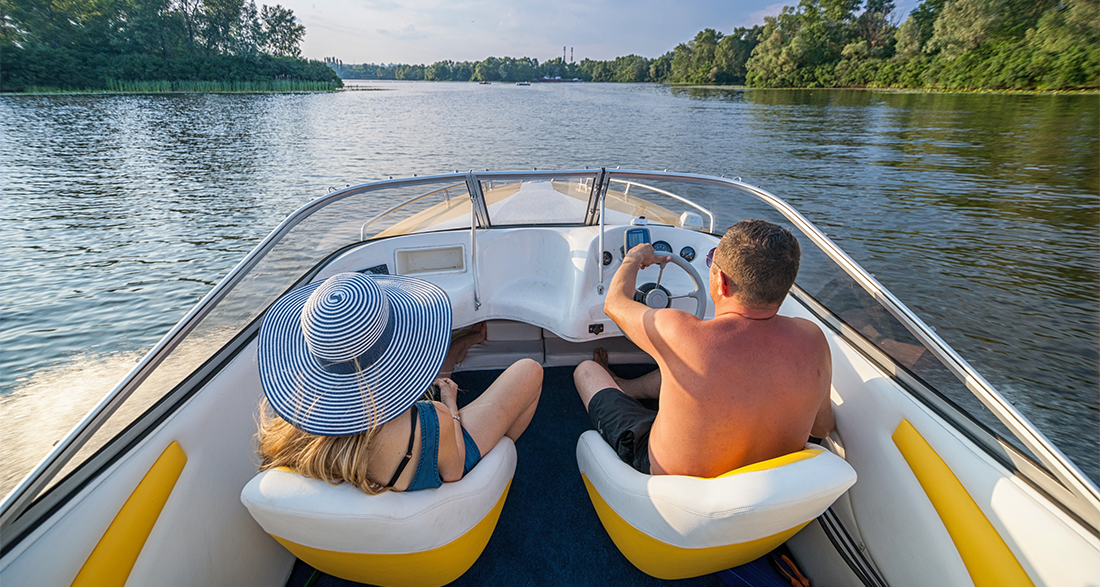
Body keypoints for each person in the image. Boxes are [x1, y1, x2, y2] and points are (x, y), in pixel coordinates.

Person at [574, 219, 834, 477]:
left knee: (586, 371)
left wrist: (634, 257)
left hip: (670, 484)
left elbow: (615, 303)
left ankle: (618, 389)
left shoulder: (682, 335)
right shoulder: (813, 339)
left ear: (721, 281)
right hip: (768, 488)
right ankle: (627, 388)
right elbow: (822, 428)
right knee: (684, 369)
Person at [255, 272, 542, 493]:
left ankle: (453, 354)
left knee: (430, 387)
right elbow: (453, 470)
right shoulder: (433, 420)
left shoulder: (289, 428)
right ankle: (500, 452)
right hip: (427, 454)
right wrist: (451, 406)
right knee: (529, 371)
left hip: (389, 457)